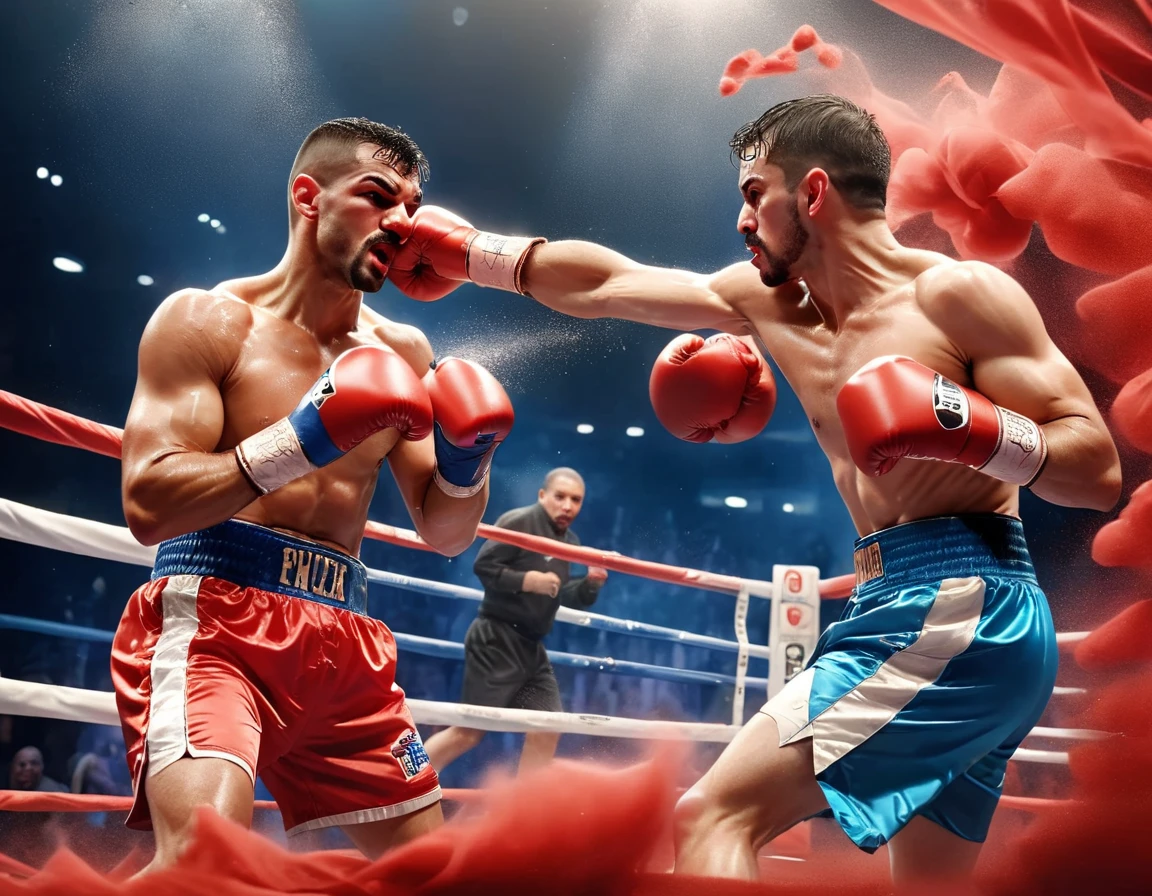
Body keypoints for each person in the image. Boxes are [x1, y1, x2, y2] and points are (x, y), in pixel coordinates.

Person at [384, 95, 1122, 886]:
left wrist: (962, 424)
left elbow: (1097, 473)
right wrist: (471, 254)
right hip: (897, 602)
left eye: (752, 193)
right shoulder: (768, 302)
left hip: (966, 605)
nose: (741, 219)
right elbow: (610, 284)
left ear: (811, 193)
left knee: (712, 815)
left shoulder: (956, 297)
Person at [112, 117, 515, 873]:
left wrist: (469, 463)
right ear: (309, 198)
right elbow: (148, 503)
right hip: (216, 620)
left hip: (345, 638)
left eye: (412, 206)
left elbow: (446, 533)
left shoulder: (403, 352)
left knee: (436, 880)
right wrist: (302, 438)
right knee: (208, 862)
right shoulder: (208, 320)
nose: (402, 224)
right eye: (377, 197)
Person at [423, 467, 607, 774]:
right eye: (560, 497)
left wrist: (590, 584)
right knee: (468, 731)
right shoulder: (519, 521)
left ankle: (524, 813)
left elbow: (561, 593)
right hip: (496, 638)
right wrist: (527, 581)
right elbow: (484, 566)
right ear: (542, 495)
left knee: (549, 726)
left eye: (575, 500)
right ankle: (402, 783)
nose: (567, 506)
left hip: (530, 649)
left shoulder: (570, 541)